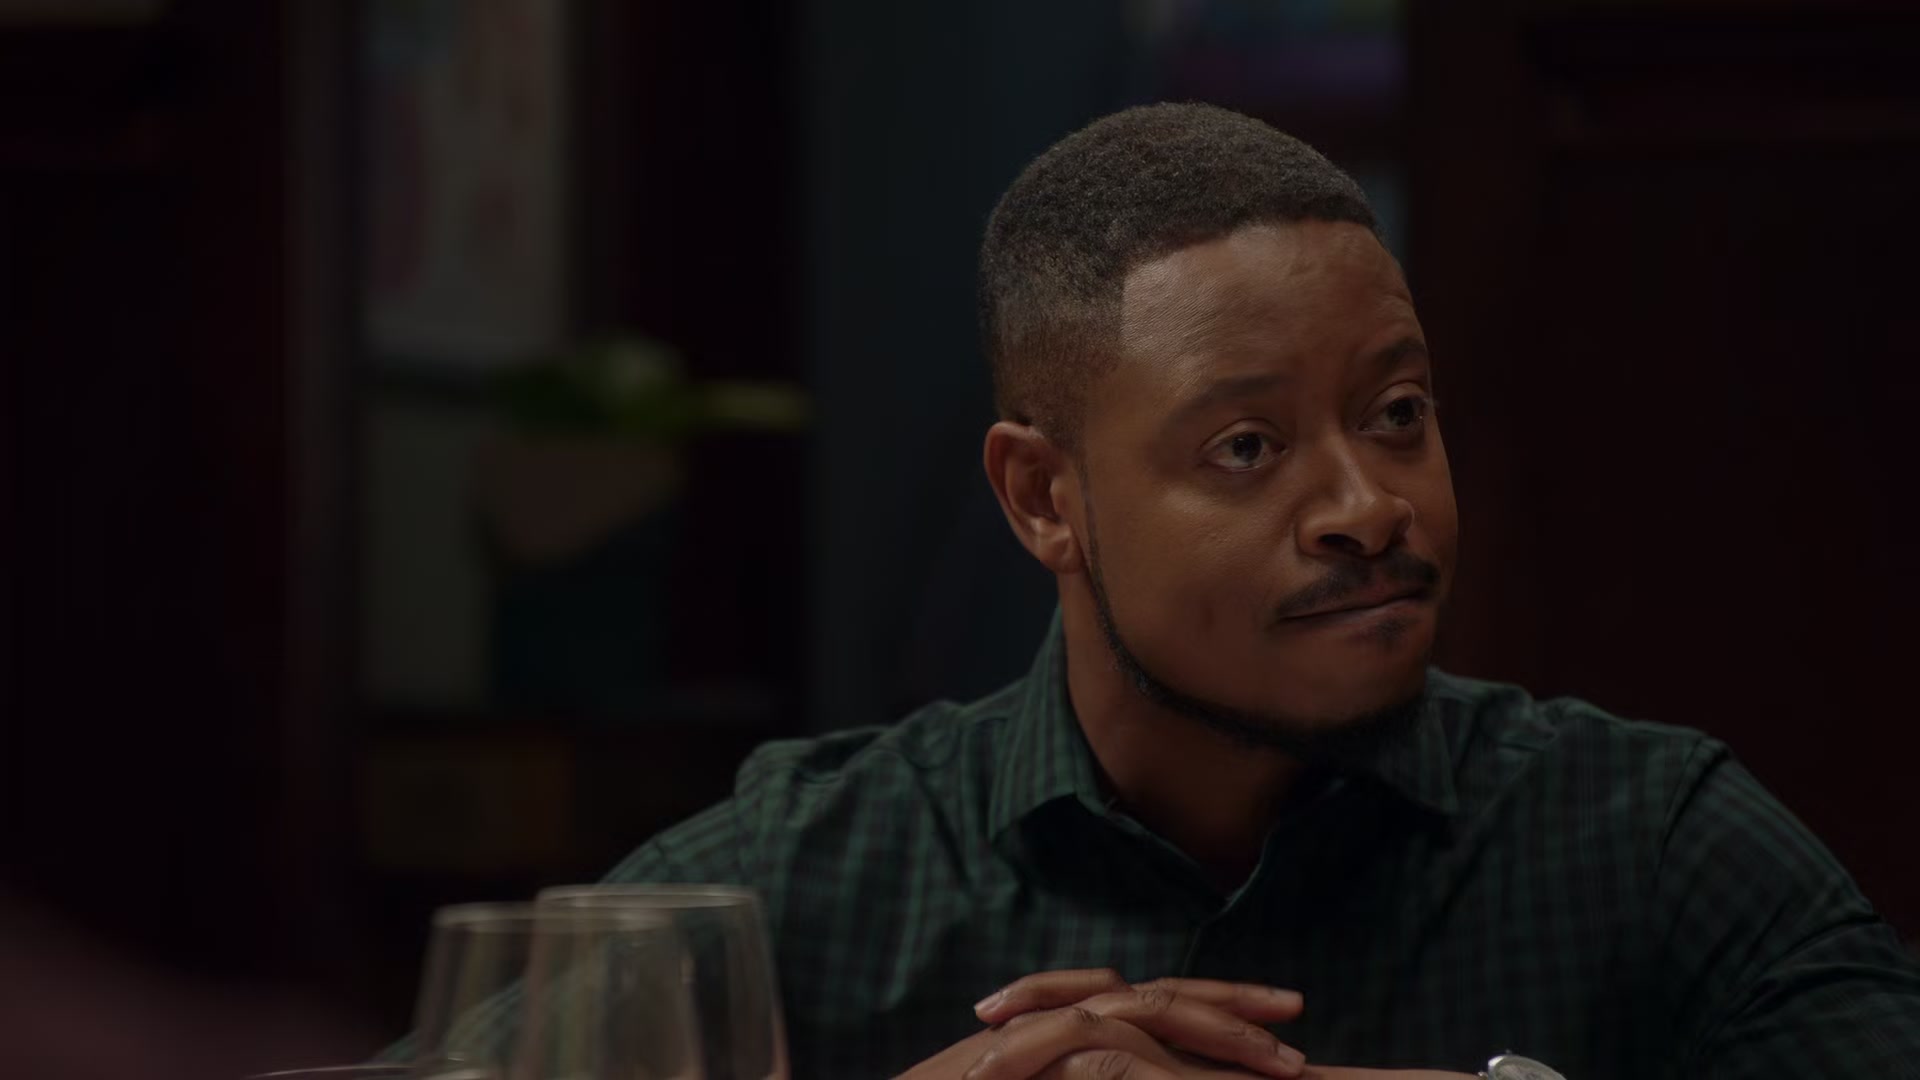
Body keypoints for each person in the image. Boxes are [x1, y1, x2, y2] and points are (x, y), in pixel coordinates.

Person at [601, 103, 1920, 1078]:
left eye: (1398, 413)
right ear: (1044, 499)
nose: (1369, 507)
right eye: (1246, 447)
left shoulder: (1644, 838)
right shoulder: (808, 874)